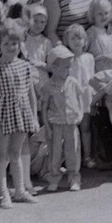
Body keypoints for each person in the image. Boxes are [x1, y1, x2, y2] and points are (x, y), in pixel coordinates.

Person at [0, 20, 39, 208]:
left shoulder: (24, 66)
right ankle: (3, 193)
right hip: (3, 117)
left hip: (21, 115)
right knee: (2, 156)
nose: (10, 47)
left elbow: (31, 94)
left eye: (14, 43)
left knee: (15, 154)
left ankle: (20, 191)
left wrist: (34, 117)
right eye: (6, 43)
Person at [40, 45, 83, 191]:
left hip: (71, 122)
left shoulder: (73, 82)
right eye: (65, 67)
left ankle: (74, 178)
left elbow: (79, 97)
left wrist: (80, 113)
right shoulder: (48, 86)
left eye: (69, 67)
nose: (68, 70)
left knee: (73, 151)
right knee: (55, 152)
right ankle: (54, 178)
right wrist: (46, 126)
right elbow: (44, 107)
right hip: (56, 124)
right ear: (54, 67)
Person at [62, 24, 94, 170]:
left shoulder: (89, 57)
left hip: (86, 96)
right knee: (71, 129)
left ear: (85, 40)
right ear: (66, 40)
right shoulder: (66, 59)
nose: (76, 41)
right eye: (73, 38)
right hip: (71, 97)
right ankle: (72, 159)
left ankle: (87, 157)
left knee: (85, 128)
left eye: (79, 37)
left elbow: (92, 78)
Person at [85, 0, 112, 73]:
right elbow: (85, 55)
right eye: (100, 14)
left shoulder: (110, 33)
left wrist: (109, 58)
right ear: (93, 15)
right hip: (95, 72)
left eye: (106, 13)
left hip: (110, 71)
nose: (103, 17)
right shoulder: (90, 33)